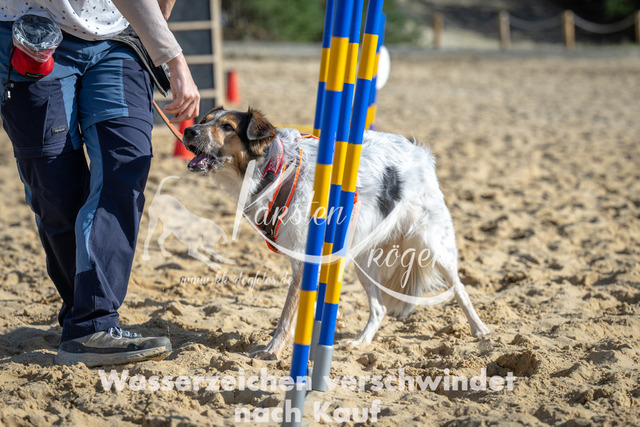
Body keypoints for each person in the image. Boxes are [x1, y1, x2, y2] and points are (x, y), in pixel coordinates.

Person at [0, 0, 200, 367]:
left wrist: (157, 27)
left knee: (125, 169)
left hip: (117, 41)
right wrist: (174, 58)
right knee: (56, 191)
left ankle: (93, 322)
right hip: (31, 32)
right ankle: (83, 316)